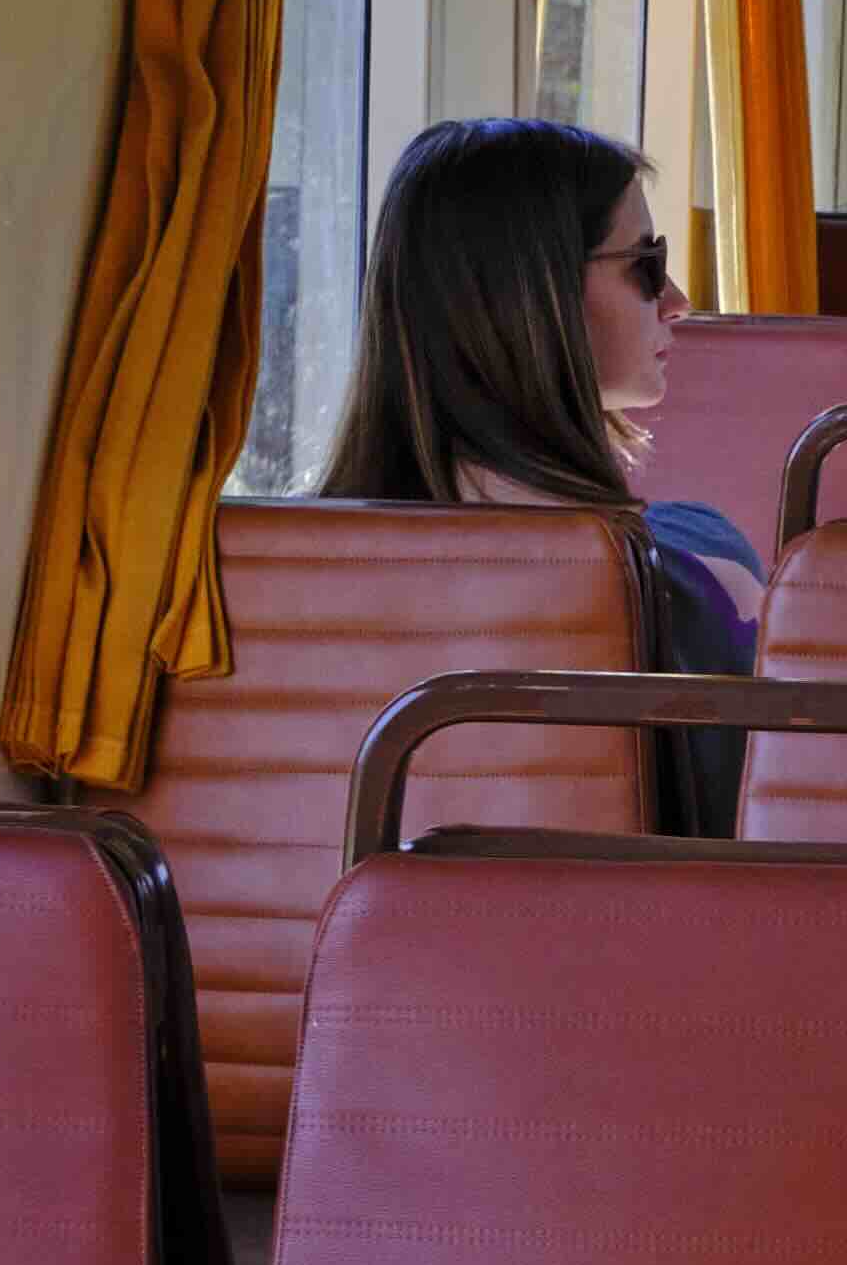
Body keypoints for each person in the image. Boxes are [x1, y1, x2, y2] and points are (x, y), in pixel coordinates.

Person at [315, 117, 765, 803]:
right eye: (646, 264)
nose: (677, 302)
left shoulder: (287, 582)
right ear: (534, 293)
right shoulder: (697, 571)